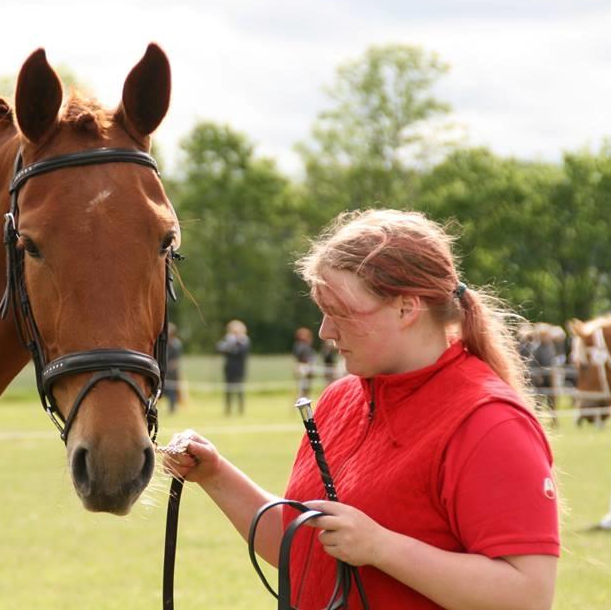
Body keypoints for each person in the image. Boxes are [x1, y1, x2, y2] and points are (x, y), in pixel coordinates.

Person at [163, 210, 559, 610]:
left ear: (407, 308)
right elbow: (305, 549)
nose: (325, 331)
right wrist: (215, 475)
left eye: (341, 313)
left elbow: (527, 595)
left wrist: (381, 547)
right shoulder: (341, 399)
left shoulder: (489, 422)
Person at [217, 320, 250, 415]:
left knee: (240, 391)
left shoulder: (245, 341)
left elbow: (241, 352)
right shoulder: (228, 340)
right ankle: (228, 410)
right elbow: (220, 348)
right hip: (229, 369)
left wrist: (231, 347)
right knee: (228, 390)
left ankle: (241, 410)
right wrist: (230, 346)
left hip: (240, 369)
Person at [163, 322, 184, 413]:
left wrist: (169, 367)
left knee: (172, 390)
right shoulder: (164, 343)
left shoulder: (176, 344)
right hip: (164, 370)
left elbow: (176, 360)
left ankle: (172, 409)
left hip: (172, 371)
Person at [292, 327, 316, 398]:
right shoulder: (300, 346)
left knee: (307, 387)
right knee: (302, 387)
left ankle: (305, 398)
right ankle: (302, 400)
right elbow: (300, 358)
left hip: (307, 368)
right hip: (303, 368)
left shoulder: (306, 346)